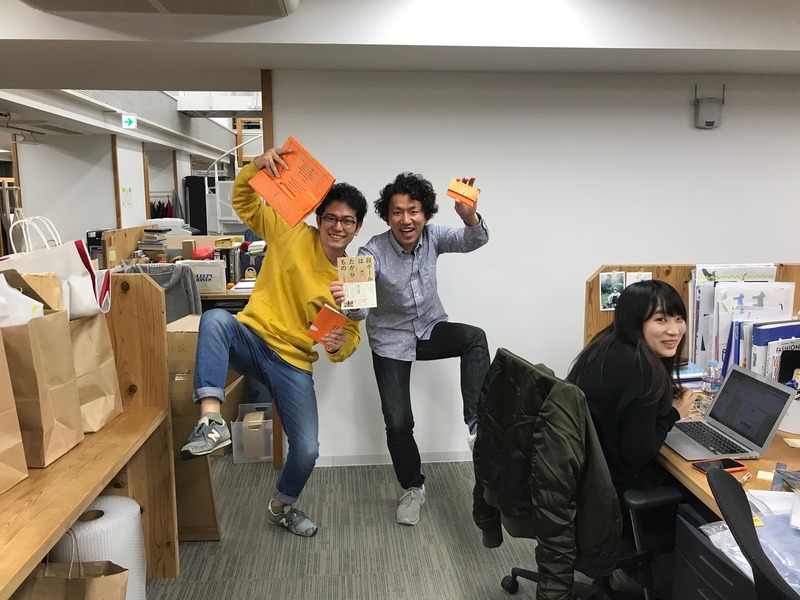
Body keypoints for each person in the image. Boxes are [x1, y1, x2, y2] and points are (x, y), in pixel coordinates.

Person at [180, 147, 368, 538]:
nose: (338, 226)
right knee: (215, 319)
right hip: (252, 338)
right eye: (331, 218)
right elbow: (244, 201)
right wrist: (255, 166)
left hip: (292, 363)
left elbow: (352, 335)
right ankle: (211, 420)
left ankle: (282, 507)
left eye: (347, 221)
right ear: (319, 218)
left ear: (357, 228)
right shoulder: (291, 231)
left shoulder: (354, 275)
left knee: (307, 449)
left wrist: (337, 344)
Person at [332, 172, 490, 526]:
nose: (406, 219)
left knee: (474, 338)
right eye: (397, 212)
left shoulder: (434, 237)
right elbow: (359, 313)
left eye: (413, 211)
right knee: (399, 423)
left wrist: (469, 216)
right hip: (390, 340)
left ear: (426, 215)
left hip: (430, 328)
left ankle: (477, 426)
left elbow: (475, 239)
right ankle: (413, 488)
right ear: (387, 216)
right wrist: (348, 300)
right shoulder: (369, 252)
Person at [566, 279, 695, 496]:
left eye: (679, 318)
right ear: (635, 322)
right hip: (613, 486)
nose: (674, 330)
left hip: (588, 473)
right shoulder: (640, 368)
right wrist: (674, 413)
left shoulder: (605, 343)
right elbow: (637, 455)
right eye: (661, 319)